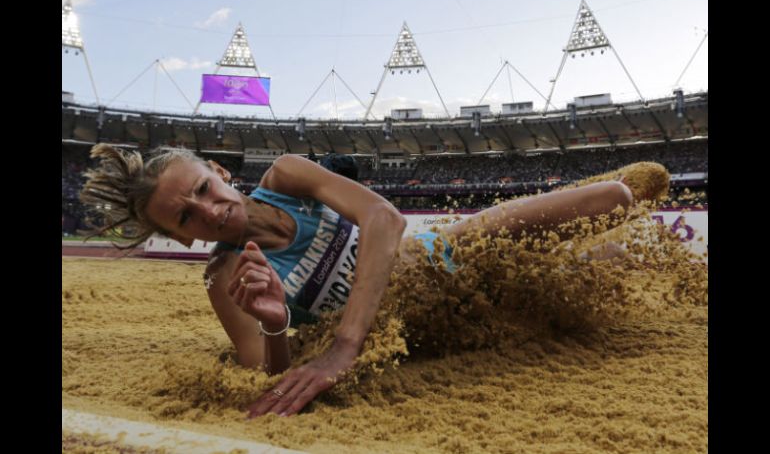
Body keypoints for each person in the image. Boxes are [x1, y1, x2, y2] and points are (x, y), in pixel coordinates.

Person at [80, 144, 668, 418]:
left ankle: (604, 244)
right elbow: (268, 371)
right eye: (184, 217)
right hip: (438, 323)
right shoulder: (225, 279)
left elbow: (384, 218)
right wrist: (278, 323)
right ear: (180, 238)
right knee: (588, 280)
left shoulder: (286, 177)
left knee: (616, 197)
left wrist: (343, 346)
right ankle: (602, 264)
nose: (206, 211)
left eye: (203, 190)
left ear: (222, 174)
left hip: (451, 250)